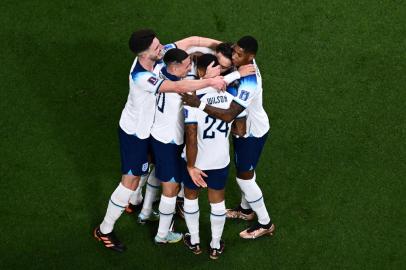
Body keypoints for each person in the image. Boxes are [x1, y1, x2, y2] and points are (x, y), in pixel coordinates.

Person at [93, 29, 227, 252]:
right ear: (145, 55)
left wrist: (225, 49)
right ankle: (104, 230)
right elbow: (179, 87)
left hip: (150, 131)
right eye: (156, 48)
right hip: (135, 134)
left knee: (149, 171)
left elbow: (193, 41)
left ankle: (137, 205)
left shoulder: (156, 57)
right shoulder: (142, 77)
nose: (161, 48)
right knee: (130, 180)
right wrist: (210, 81)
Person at [181, 36, 275, 239]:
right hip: (242, 130)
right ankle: (246, 211)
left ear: (251, 57)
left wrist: (200, 105)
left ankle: (265, 223)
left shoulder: (250, 79)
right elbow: (220, 49)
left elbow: (229, 115)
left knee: (244, 178)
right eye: (234, 51)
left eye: (239, 55)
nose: (234, 56)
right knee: (244, 173)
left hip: (251, 132)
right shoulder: (241, 62)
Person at [181, 54, 234, 259]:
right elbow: (240, 128)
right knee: (217, 202)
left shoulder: (192, 98)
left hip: (198, 160)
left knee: (191, 197)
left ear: (201, 72)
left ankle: (194, 242)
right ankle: (215, 245)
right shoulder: (230, 98)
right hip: (220, 159)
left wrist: (191, 166)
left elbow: (191, 137)